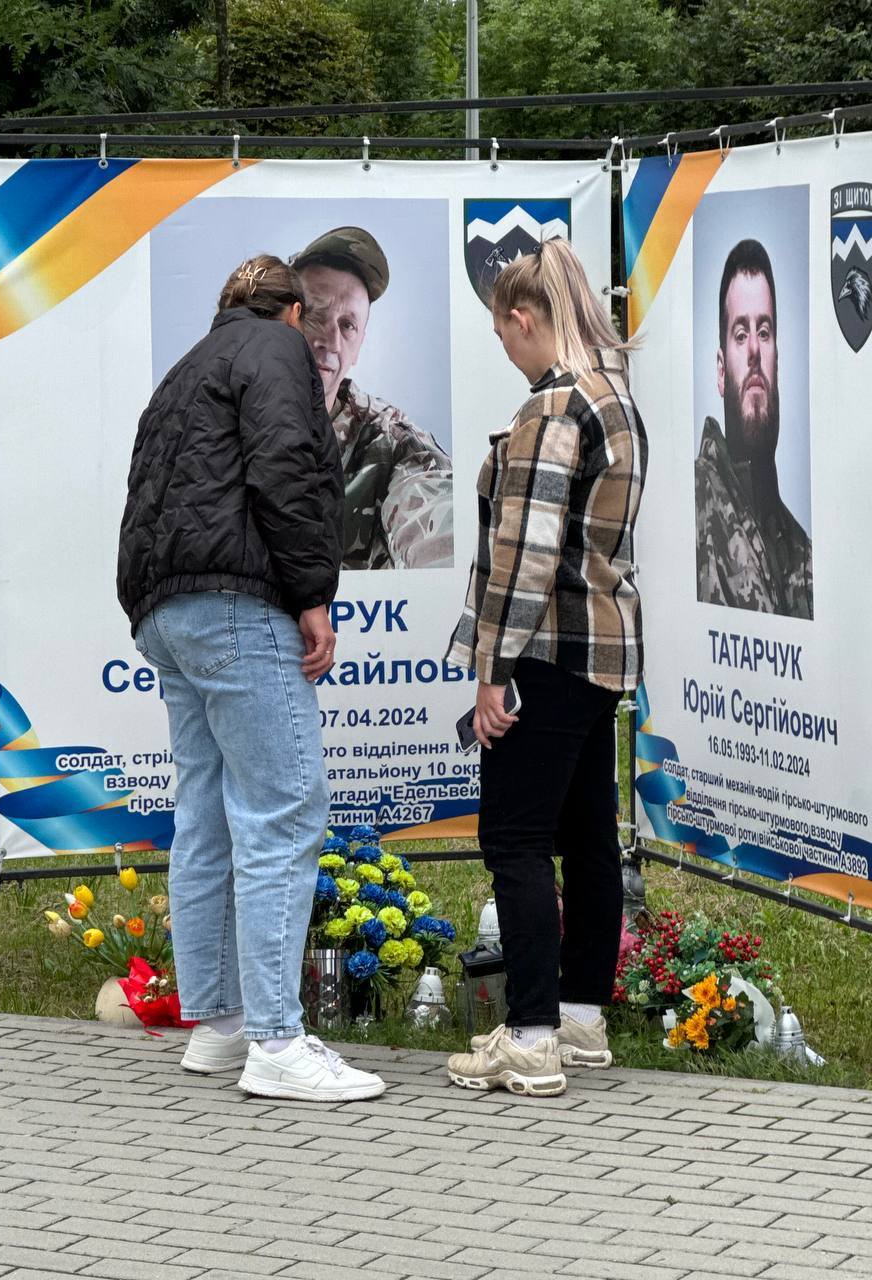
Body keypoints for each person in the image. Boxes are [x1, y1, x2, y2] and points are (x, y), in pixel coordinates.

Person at [116, 255, 385, 1102]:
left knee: (207, 818)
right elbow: (285, 468)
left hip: (167, 611)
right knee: (283, 809)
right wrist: (312, 594)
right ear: (292, 312)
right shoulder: (276, 351)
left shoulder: (187, 367)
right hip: (237, 604)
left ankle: (221, 1026)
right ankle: (276, 1042)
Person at [444, 239, 648, 1097]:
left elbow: (524, 559)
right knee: (589, 837)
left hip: (547, 652)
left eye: (502, 334)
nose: (505, 348)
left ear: (523, 318)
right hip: (603, 650)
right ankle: (580, 1016)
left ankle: (529, 1038)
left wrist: (492, 672)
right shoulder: (615, 395)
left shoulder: (553, 406)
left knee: (516, 840)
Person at [291, 226, 454, 570]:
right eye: (315, 314)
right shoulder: (228, 425)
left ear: (359, 346)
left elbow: (436, 518)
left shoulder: (391, 443)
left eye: (348, 325)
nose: (330, 341)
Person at [695, 239, 813, 619]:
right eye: (740, 334)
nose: (754, 352)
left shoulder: (802, 551)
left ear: (777, 361)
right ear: (720, 371)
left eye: (764, 332)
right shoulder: (693, 502)